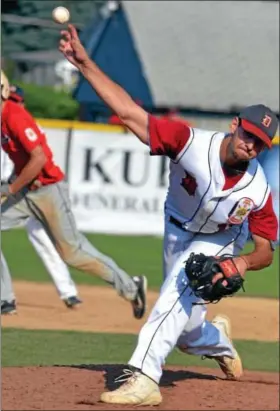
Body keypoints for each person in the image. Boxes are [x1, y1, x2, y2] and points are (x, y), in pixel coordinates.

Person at [58, 25, 278, 406]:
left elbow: (266, 251)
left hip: (220, 239)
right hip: (176, 227)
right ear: (234, 125)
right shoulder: (190, 142)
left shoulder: (259, 190)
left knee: (176, 293)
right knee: (186, 330)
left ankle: (144, 377)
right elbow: (129, 113)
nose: (251, 145)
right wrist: (85, 63)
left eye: (260, 143)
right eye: (248, 134)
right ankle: (218, 341)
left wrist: (240, 263)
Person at [0, 70, 147, 320]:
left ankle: (131, 287)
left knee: (73, 253)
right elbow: (22, 158)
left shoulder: (13, 115)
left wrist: (10, 189)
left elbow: (39, 158)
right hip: (26, 190)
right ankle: (5, 298)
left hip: (48, 190)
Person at [1, 84, 81, 314]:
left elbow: (40, 161)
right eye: (12, 98)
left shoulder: (26, 126)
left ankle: (69, 293)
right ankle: (6, 298)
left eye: (18, 99)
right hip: (10, 189)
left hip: (30, 189)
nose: (15, 103)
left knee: (44, 239)